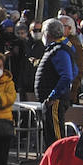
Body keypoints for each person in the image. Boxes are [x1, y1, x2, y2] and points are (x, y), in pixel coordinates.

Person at [33, 18, 76, 148]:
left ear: (47, 33)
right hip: (51, 100)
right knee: (50, 136)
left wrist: (53, 96)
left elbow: (67, 76)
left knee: (56, 139)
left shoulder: (59, 50)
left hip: (54, 101)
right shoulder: (59, 48)